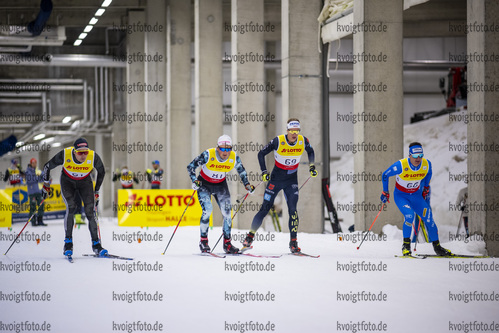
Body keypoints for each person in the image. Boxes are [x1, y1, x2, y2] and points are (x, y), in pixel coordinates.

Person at [242, 118, 317, 253]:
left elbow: (310, 151)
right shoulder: (278, 140)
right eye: (292, 130)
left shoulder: (303, 141)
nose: (294, 134)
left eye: (297, 131)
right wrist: (264, 171)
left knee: (293, 210)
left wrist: (312, 166)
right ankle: (249, 237)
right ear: (287, 130)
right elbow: (261, 153)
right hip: (275, 180)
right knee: (264, 209)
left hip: (291, 181)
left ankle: (293, 243)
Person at [380, 142, 451, 256]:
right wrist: (385, 191)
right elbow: (385, 175)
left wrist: (426, 187)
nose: (418, 159)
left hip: (416, 197)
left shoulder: (426, 164)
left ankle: (437, 247)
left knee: (429, 219)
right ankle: (406, 246)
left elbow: (429, 173)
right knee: (409, 216)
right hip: (402, 196)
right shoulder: (401, 165)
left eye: (420, 156)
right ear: (410, 155)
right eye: (415, 156)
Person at [187, 135, 255, 254]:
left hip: (220, 185)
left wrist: (247, 185)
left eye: (228, 148)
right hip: (204, 184)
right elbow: (191, 166)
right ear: (217, 148)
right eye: (223, 149)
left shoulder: (233, 157)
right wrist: (194, 180)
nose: (225, 152)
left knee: (227, 213)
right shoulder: (208, 154)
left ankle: (227, 244)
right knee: (208, 210)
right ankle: (203, 242)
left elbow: (242, 171)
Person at [42, 138, 107, 257]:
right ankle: (68, 243)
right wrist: (46, 185)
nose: (83, 155)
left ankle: (96, 244)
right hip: (68, 182)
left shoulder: (93, 157)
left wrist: (96, 190)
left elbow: (102, 172)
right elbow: (47, 167)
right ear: (74, 151)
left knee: (90, 211)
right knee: (71, 207)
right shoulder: (65, 154)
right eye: (80, 152)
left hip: (85, 182)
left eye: (85, 152)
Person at [25, 158, 46, 226]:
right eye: (33, 163)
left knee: (41, 205)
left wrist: (39, 177)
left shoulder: (37, 170)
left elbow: (43, 176)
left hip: (39, 191)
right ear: (31, 164)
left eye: (35, 163)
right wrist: (38, 177)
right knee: (33, 206)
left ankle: (40, 220)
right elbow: (30, 180)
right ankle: (33, 221)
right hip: (32, 192)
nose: (35, 164)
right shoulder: (28, 171)